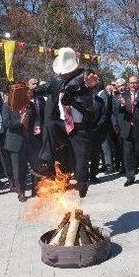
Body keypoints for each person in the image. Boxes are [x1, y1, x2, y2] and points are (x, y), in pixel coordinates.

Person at [32, 47, 102, 198]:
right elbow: (46, 88)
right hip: (64, 125)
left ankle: (83, 184)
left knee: (81, 164)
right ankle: (45, 164)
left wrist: (79, 94)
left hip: (80, 129)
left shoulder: (84, 77)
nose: (64, 74)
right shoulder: (57, 80)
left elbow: (89, 86)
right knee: (50, 126)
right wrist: (30, 92)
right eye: (62, 72)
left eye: (67, 72)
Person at [114, 75, 139, 186]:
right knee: (128, 154)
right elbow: (119, 111)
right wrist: (122, 104)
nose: (133, 85)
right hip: (127, 128)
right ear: (128, 84)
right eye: (131, 83)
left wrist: (135, 103)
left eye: (135, 83)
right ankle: (130, 176)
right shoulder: (123, 95)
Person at [4, 83, 38, 202]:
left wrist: (37, 126)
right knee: (19, 169)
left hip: (31, 141)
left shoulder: (31, 105)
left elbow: (36, 119)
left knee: (35, 167)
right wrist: (20, 122)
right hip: (16, 143)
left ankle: (36, 190)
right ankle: (21, 192)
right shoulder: (8, 106)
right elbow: (6, 123)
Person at [90, 82, 114, 181]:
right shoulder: (86, 99)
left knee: (102, 149)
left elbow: (105, 113)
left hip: (100, 128)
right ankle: (103, 165)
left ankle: (107, 167)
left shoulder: (102, 97)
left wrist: (98, 125)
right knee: (94, 151)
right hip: (89, 129)